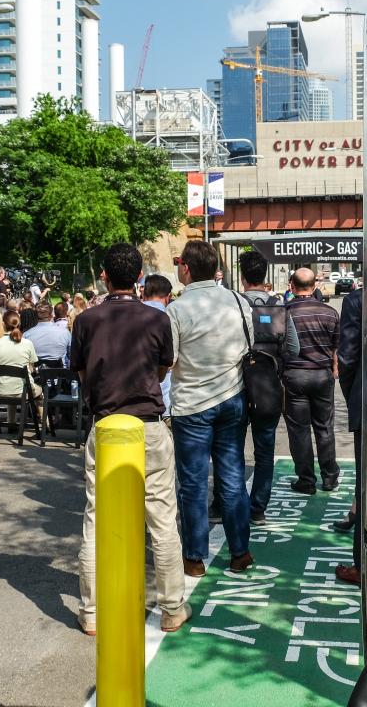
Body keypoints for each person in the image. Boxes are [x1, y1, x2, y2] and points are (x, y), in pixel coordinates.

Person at [71, 243, 189, 635]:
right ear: (139, 277)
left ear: (105, 275)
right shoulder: (156, 320)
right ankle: (172, 607)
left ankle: (93, 611)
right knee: (161, 518)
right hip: (149, 424)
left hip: (105, 424)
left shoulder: (86, 321)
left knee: (96, 518)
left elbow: (83, 375)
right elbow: (162, 369)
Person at [167, 240, 254, 577]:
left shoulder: (177, 309)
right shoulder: (237, 300)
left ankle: (194, 557)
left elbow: (170, 359)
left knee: (192, 482)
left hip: (192, 404)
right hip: (233, 397)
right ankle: (240, 552)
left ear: (186, 268)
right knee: (232, 477)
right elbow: (250, 345)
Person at [239, 251, 299, 523]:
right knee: (264, 450)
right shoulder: (278, 307)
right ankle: (258, 509)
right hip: (268, 386)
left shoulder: (234, 305)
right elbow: (294, 349)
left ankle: (227, 504)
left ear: (242, 277)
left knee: (231, 449)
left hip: (235, 386)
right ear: (264, 276)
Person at [283, 267, 341, 494]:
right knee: (325, 427)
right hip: (322, 375)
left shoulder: (284, 311)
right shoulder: (330, 313)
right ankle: (329, 477)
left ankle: (306, 480)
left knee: (299, 430)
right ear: (315, 286)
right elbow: (337, 346)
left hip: (294, 376)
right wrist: (334, 369)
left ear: (292, 287)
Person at [334, 284, 364, 586]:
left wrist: (353, 394)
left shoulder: (358, 299)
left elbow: (348, 357)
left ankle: (361, 564)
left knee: (366, 482)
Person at [0, 311, 42, 404]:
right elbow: (31, 367)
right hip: (23, 390)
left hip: (1, 389)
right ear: (19, 324)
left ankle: (11, 419)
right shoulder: (27, 343)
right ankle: (44, 419)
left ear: (3, 324)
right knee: (40, 390)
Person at [141, 274, 174, 413]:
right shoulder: (171, 317)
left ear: (143, 293)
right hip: (165, 400)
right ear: (168, 296)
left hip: (133, 398)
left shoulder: (127, 316)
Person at [23, 301, 70, 365]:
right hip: (60, 372)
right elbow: (71, 354)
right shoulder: (65, 332)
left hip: (36, 372)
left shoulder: (26, 335)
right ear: (51, 316)